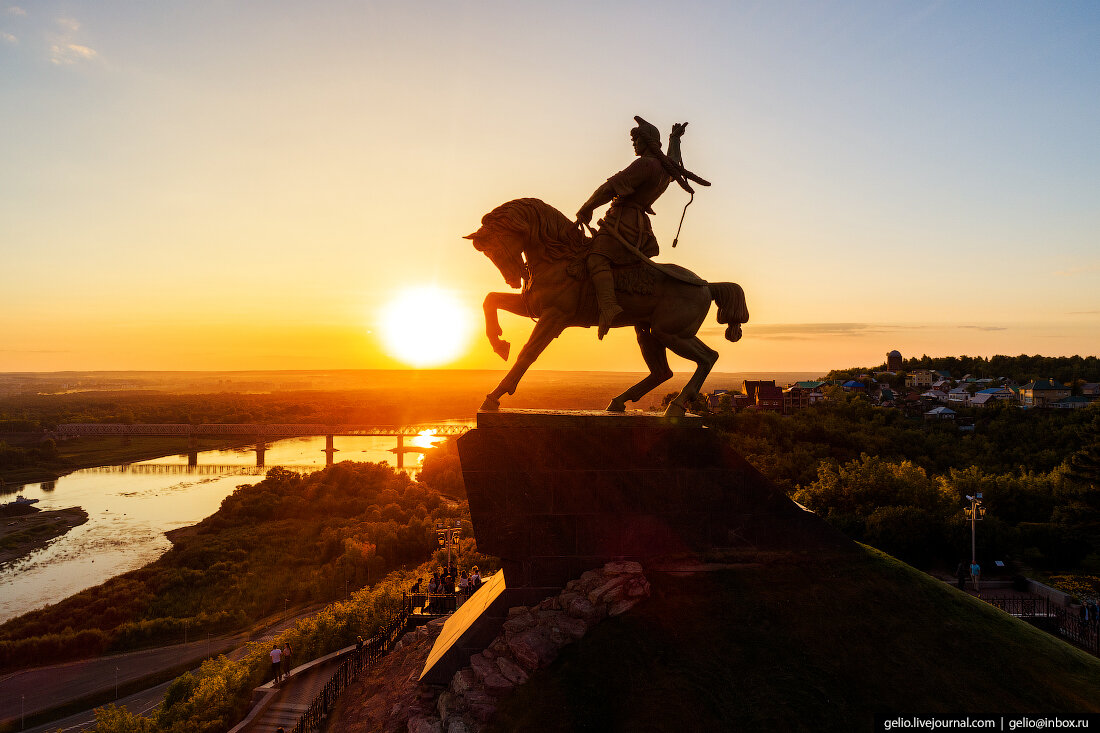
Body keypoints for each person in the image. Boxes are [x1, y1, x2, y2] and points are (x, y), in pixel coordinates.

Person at [576, 116, 707, 338]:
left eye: (637, 140)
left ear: (647, 142)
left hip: (624, 220)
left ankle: (608, 307)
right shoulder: (664, 168)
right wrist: (674, 139)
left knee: (596, 257)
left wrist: (587, 207)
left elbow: (610, 187)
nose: (634, 144)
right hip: (640, 225)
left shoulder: (645, 164)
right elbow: (673, 160)